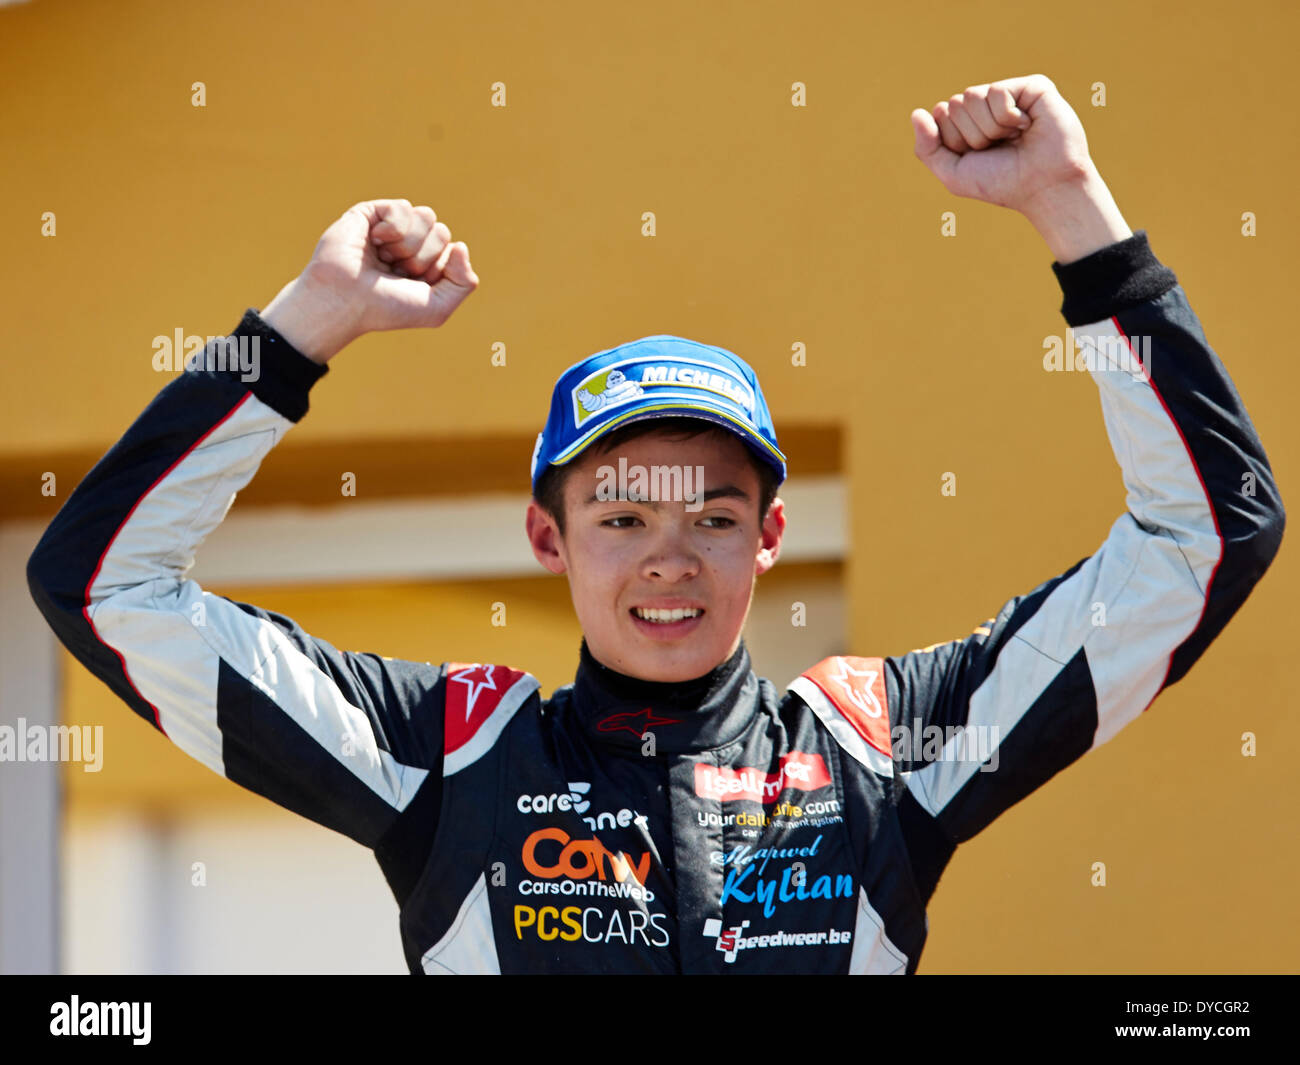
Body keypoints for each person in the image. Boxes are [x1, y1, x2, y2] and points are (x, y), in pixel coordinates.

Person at [27, 75, 1284, 974]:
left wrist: (1074, 211)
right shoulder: (445, 758)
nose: (671, 559)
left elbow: (1207, 540)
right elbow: (101, 585)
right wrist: (302, 329)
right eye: (621, 516)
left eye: (714, 518)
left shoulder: (884, 748)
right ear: (545, 537)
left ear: (771, 536)